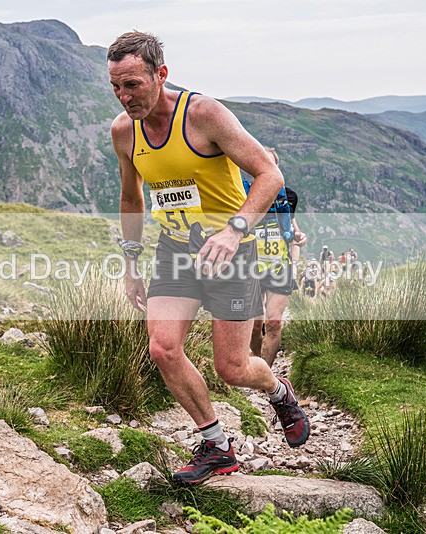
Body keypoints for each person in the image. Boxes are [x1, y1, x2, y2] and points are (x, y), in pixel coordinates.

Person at [108, 31, 310, 485]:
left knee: (233, 369)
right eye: (116, 87)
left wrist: (234, 231)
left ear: (161, 74)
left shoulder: (203, 114)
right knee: (162, 348)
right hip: (175, 252)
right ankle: (217, 446)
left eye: (133, 85)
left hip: (231, 255)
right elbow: (130, 197)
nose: (125, 97)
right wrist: (131, 265)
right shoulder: (123, 131)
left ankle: (279, 392)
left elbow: (269, 175)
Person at [248, 148, 307, 367]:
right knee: (255, 326)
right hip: (250, 268)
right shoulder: (242, 192)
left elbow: (291, 229)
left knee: (273, 323)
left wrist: (298, 242)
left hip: (279, 266)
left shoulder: (288, 196)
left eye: (271, 164)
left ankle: (265, 376)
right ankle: (257, 366)